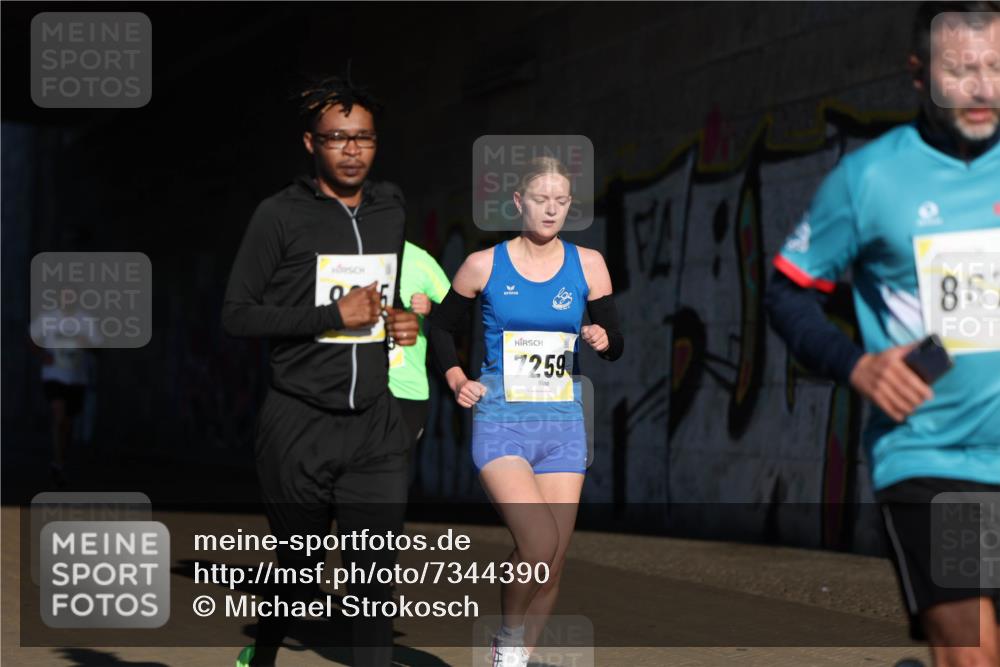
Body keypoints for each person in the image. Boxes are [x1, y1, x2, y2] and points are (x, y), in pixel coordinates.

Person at [766, 3, 1000, 666]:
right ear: (919, 74)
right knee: (975, 655)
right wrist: (857, 365)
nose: (982, 88)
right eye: (960, 70)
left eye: (995, 69)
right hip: (938, 461)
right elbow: (788, 292)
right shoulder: (868, 181)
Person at [222, 73, 420, 667]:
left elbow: (390, 293)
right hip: (298, 423)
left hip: (375, 427)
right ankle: (261, 654)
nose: (353, 149)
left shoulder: (392, 206)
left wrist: (401, 319)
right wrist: (331, 314)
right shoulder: (278, 216)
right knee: (300, 568)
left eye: (364, 137)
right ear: (311, 144)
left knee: (373, 583)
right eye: (338, 137)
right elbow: (237, 315)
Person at [427, 156, 624, 666]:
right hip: (502, 423)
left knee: (554, 560)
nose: (553, 209)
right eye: (542, 199)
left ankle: (517, 658)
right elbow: (442, 329)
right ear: (519, 202)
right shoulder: (484, 264)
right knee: (537, 543)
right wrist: (456, 378)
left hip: (562, 426)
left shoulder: (590, 264)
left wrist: (604, 339)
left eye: (563, 201)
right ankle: (508, 639)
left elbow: (615, 339)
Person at [389, 241, 451, 458]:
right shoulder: (344, 250)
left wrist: (431, 308)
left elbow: (458, 317)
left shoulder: (420, 260)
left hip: (405, 392)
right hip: (349, 388)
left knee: (391, 477)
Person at [29, 308, 101, 487]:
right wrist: (41, 355)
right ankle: (58, 462)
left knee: (67, 422)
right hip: (54, 376)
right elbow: (32, 339)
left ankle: (60, 460)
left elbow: (99, 346)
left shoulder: (85, 320)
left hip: (76, 378)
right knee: (59, 416)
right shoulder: (48, 318)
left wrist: (87, 342)